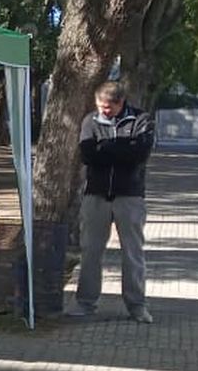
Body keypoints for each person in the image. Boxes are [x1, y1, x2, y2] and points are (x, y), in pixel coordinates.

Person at [67, 81, 156, 322]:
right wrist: (120, 149)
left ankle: (137, 305)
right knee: (91, 251)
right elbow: (88, 154)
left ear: (120, 103)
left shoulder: (140, 120)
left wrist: (106, 148)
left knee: (133, 252)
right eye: (100, 107)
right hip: (96, 194)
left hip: (130, 195)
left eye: (108, 108)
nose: (103, 111)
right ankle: (86, 302)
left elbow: (139, 155)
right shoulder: (90, 121)